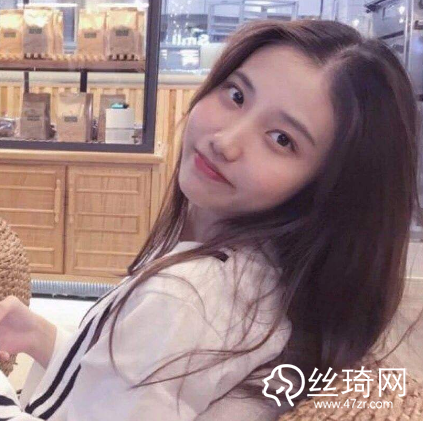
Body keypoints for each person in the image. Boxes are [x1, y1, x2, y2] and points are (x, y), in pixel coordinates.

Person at [0, 18, 421, 420]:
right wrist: (38, 336)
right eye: (236, 96)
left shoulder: (186, 298)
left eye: (281, 139)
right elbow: (133, 394)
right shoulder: (266, 283)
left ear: (330, 187)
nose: (226, 141)